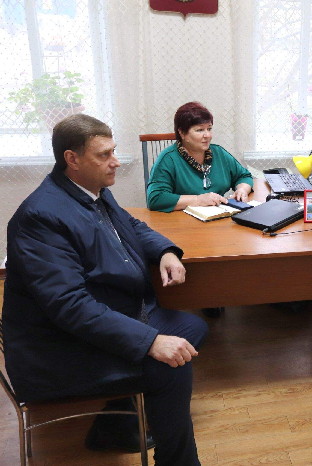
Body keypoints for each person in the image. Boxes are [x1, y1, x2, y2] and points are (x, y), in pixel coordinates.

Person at [3, 114, 207, 466]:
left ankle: (119, 418)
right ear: (72, 159)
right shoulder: (40, 217)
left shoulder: (89, 191)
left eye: (113, 151)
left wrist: (165, 251)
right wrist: (150, 342)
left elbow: (132, 225)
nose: (115, 162)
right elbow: (69, 306)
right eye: (104, 155)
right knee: (171, 365)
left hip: (101, 318)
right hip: (57, 350)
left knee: (192, 328)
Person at [146, 101, 254, 212]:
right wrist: (197, 200)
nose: (208, 135)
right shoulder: (168, 159)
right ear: (182, 133)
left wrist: (242, 189)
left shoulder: (219, 152)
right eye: (200, 130)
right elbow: (156, 198)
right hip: (183, 220)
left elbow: (243, 176)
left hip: (218, 216)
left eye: (209, 129)